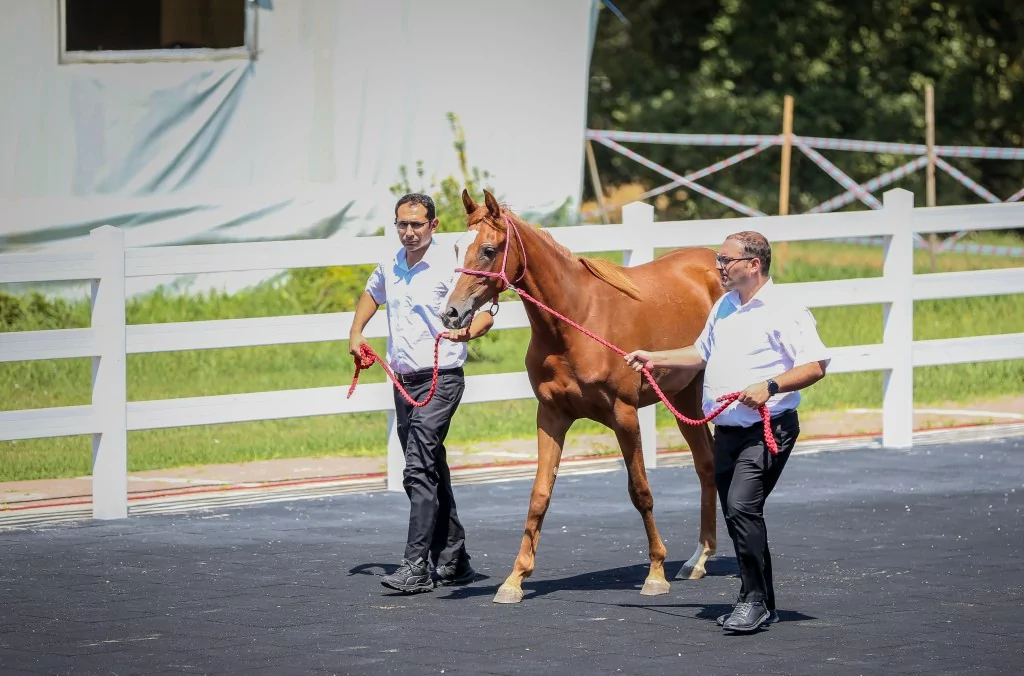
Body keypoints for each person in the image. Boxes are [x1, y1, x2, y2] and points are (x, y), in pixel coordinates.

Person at [624, 231, 830, 633]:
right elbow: (700, 353)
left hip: (767, 429)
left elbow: (816, 364)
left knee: (741, 508)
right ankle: (763, 600)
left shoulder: (785, 310)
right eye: (719, 259)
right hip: (728, 432)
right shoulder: (724, 306)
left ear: (753, 264)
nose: (718, 267)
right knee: (741, 513)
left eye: (726, 260)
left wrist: (770, 386)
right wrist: (654, 355)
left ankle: (751, 600)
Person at [348, 193, 494, 593]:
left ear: (434, 225)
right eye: (402, 224)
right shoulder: (391, 265)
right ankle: (455, 559)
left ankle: (416, 567)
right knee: (430, 469)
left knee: (416, 468)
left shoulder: (452, 265)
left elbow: (485, 310)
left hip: (441, 378)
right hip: (403, 380)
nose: (409, 232)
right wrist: (356, 332)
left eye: (416, 224)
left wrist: (467, 331)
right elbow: (371, 294)